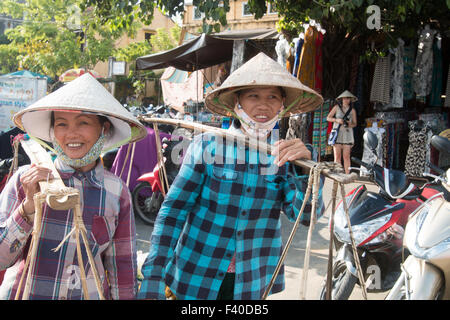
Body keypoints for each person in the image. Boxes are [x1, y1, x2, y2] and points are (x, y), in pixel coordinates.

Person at [138, 52, 324, 300]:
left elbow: (307, 215)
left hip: (250, 282)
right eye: (253, 96)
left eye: (272, 97)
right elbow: (173, 212)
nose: (263, 105)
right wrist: (154, 275)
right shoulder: (207, 147)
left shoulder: (285, 156)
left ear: (282, 106)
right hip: (195, 275)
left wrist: (305, 168)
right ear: (237, 103)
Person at [0, 73, 147, 300]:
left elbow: (123, 269)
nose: (71, 134)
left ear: (104, 129)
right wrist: (27, 210)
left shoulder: (117, 193)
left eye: (84, 122)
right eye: (61, 124)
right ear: (52, 131)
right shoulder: (25, 180)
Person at [326, 90, 358, 174]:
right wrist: (337, 120)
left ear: (350, 100)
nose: (346, 100)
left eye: (348, 98)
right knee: (337, 156)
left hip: (347, 134)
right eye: (345, 98)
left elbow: (355, 124)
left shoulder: (352, 110)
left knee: (346, 156)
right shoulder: (336, 107)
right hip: (337, 134)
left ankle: (347, 174)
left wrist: (349, 123)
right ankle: (338, 173)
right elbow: (328, 118)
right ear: (342, 99)